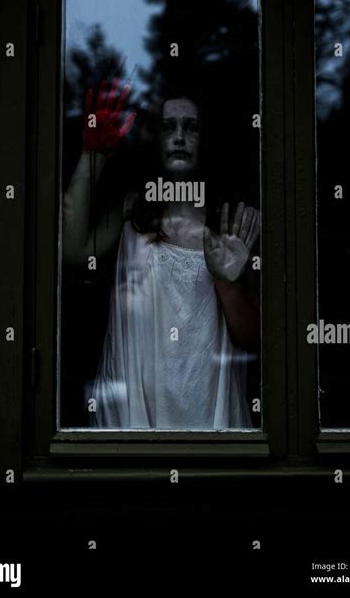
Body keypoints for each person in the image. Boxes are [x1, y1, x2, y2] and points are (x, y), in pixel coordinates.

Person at [63, 76, 260, 430]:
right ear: (155, 139)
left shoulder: (230, 228)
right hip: (133, 415)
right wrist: (93, 158)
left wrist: (228, 286)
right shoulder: (132, 211)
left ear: (206, 139)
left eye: (191, 127)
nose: (180, 136)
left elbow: (255, 338)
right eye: (169, 127)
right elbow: (74, 250)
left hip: (208, 413)